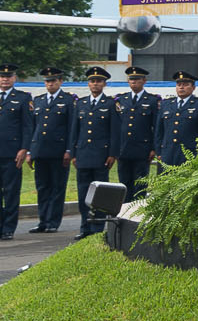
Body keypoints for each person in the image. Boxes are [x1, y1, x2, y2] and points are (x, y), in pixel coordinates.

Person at [26, 67, 77, 234]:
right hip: (40, 151)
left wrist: (69, 150)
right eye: (47, 81)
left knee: (57, 187)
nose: (50, 84)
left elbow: (72, 128)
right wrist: (30, 151)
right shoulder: (39, 100)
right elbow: (34, 128)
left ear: (60, 82)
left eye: (54, 81)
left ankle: (53, 222)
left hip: (59, 151)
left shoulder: (69, 100)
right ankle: (42, 221)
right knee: (42, 187)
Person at [67, 66, 116, 236]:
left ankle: (97, 228)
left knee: (100, 193)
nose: (95, 84)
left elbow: (114, 132)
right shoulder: (80, 103)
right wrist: (73, 153)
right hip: (83, 155)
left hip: (101, 156)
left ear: (104, 84)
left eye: (99, 81)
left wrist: (112, 154)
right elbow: (75, 131)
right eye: (92, 81)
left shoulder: (110, 104)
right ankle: (84, 227)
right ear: (88, 84)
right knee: (83, 193)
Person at [0, 63, 33, 238]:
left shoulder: (22, 98)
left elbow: (28, 127)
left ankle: (8, 228)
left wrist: (24, 149)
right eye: (2, 76)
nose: (5, 79)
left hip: (13, 154)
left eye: (9, 76)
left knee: (11, 192)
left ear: (14, 78)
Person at [114, 65, 157, 198]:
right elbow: (116, 127)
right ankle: (124, 215)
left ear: (144, 81)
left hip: (142, 150)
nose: (134, 81)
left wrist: (153, 148)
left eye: (137, 79)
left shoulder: (152, 100)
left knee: (140, 186)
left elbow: (156, 127)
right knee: (124, 185)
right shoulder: (120, 99)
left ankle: (136, 216)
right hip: (123, 149)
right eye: (131, 79)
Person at [154, 70, 198, 168]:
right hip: (167, 153)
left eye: (185, 84)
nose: (181, 87)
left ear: (193, 88)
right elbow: (159, 131)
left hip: (190, 154)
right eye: (179, 84)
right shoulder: (166, 104)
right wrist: (159, 152)